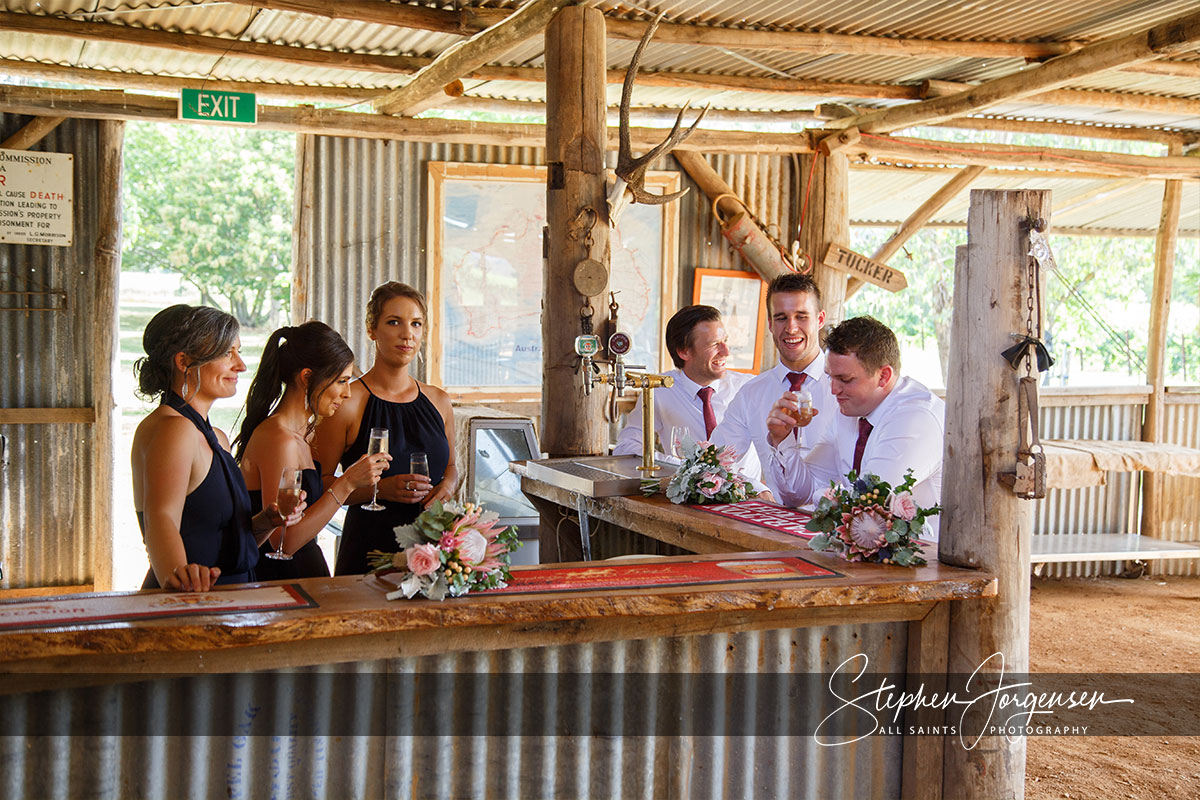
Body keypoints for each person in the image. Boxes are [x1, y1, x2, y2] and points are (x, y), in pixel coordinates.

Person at [131, 304, 303, 592]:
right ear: (184, 362)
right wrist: (183, 586)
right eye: (227, 353)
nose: (241, 365)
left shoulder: (217, 437)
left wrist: (267, 521)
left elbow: (222, 541)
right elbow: (160, 520)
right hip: (194, 600)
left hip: (230, 595)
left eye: (238, 351)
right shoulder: (174, 429)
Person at [313, 282, 457, 575]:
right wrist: (378, 490)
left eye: (416, 324)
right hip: (368, 549)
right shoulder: (348, 403)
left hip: (435, 552)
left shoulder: (439, 400)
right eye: (394, 322)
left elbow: (453, 465)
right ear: (371, 329)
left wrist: (449, 486)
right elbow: (318, 485)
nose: (408, 334)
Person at [233, 321, 391, 581]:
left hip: (306, 574)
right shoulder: (278, 439)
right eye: (341, 381)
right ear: (306, 378)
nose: (348, 393)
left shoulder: (304, 434)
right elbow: (283, 540)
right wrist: (347, 483)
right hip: (280, 582)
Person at [765, 315, 945, 538]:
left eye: (845, 379)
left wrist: (824, 495)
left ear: (884, 376)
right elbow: (798, 495)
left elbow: (866, 508)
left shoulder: (916, 417)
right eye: (830, 377)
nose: (833, 390)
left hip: (928, 562)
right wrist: (782, 440)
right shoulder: (851, 410)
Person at [710, 272, 839, 500]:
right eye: (781, 318)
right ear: (770, 324)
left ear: (820, 320)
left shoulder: (846, 387)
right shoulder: (752, 394)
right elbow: (713, 463)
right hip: (775, 525)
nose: (791, 328)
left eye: (801, 317)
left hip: (841, 526)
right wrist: (759, 489)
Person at [612, 305, 754, 460]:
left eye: (725, 341)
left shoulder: (749, 388)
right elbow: (625, 447)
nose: (726, 352)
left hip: (750, 484)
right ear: (684, 351)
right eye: (714, 344)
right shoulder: (659, 391)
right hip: (686, 483)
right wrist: (681, 469)